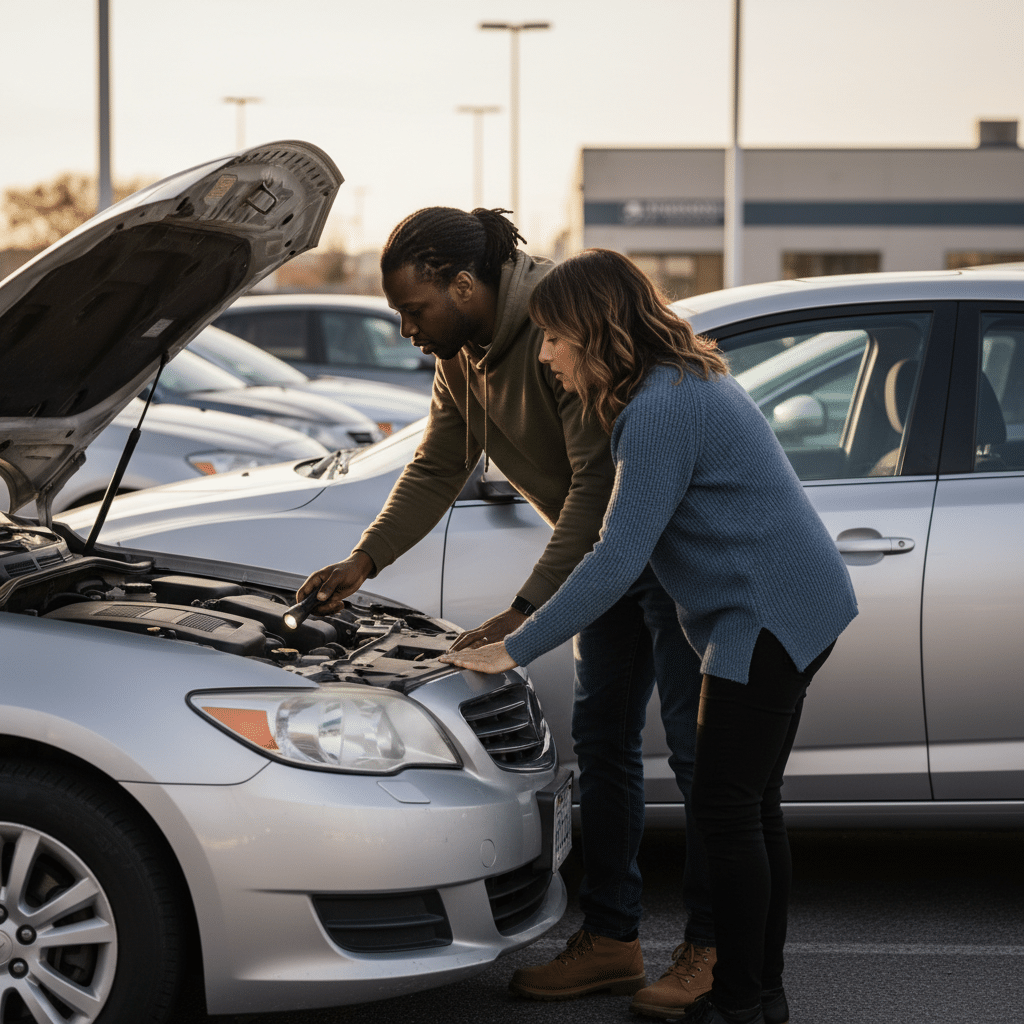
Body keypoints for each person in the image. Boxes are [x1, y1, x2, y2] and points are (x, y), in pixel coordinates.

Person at [297, 210, 717, 1009]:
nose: (407, 330)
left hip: (666, 556)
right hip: (602, 566)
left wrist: (525, 611)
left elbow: (598, 484)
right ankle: (614, 939)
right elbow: (438, 465)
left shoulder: (562, 326)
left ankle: (711, 948)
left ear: (463, 285)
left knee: (701, 765)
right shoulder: (462, 353)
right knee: (601, 748)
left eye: (415, 310)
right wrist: (365, 558)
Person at [439, 248, 858, 1024]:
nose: (547, 355)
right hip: (796, 605)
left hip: (762, 620)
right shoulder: (677, 384)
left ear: (595, 331)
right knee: (753, 808)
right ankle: (759, 997)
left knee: (731, 811)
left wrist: (516, 643)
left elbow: (618, 556)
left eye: (556, 338)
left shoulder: (659, 410)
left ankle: (738, 1000)